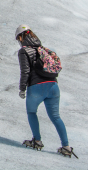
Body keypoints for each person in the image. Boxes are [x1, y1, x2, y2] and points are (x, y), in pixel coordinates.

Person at [16, 25, 77, 158]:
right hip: (53, 86)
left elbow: (25, 71)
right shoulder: (43, 49)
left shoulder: (24, 51)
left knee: (32, 112)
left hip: (36, 87)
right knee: (55, 116)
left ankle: (37, 141)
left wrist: (22, 88)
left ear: (21, 37)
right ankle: (66, 146)